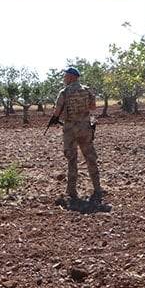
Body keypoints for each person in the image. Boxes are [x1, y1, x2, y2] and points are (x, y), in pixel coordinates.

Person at [52, 67, 102, 202]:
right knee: (90, 157)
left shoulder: (64, 92)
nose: (64, 78)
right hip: (85, 128)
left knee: (72, 159)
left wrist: (55, 118)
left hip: (70, 130)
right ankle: (97, 188)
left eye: (65, 76)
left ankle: (72, 191)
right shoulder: (87, 90)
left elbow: (57, 111)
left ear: (71, 77)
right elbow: (93, 107)